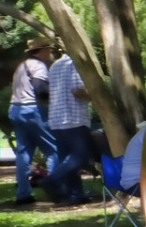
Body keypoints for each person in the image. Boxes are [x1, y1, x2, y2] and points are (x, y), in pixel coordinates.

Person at [8, 39, 58, 204]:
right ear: (41, 50)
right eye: (48, 50)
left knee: (23, 155)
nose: (50, 53)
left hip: (16, 110)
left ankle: (23, 195)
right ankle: (56, 190)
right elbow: (41, 90)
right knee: (54, 150)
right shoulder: (38, 66)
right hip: (33, 110)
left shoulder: (21, 66)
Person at [44, 45, 93, 203]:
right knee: (80, 157)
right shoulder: (75, 64)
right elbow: (77, 91)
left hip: (57, 119)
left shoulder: (55, 65)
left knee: (66, 157)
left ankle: (75, 194)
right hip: (73, 117)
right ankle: (52, 180)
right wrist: (97, 94)